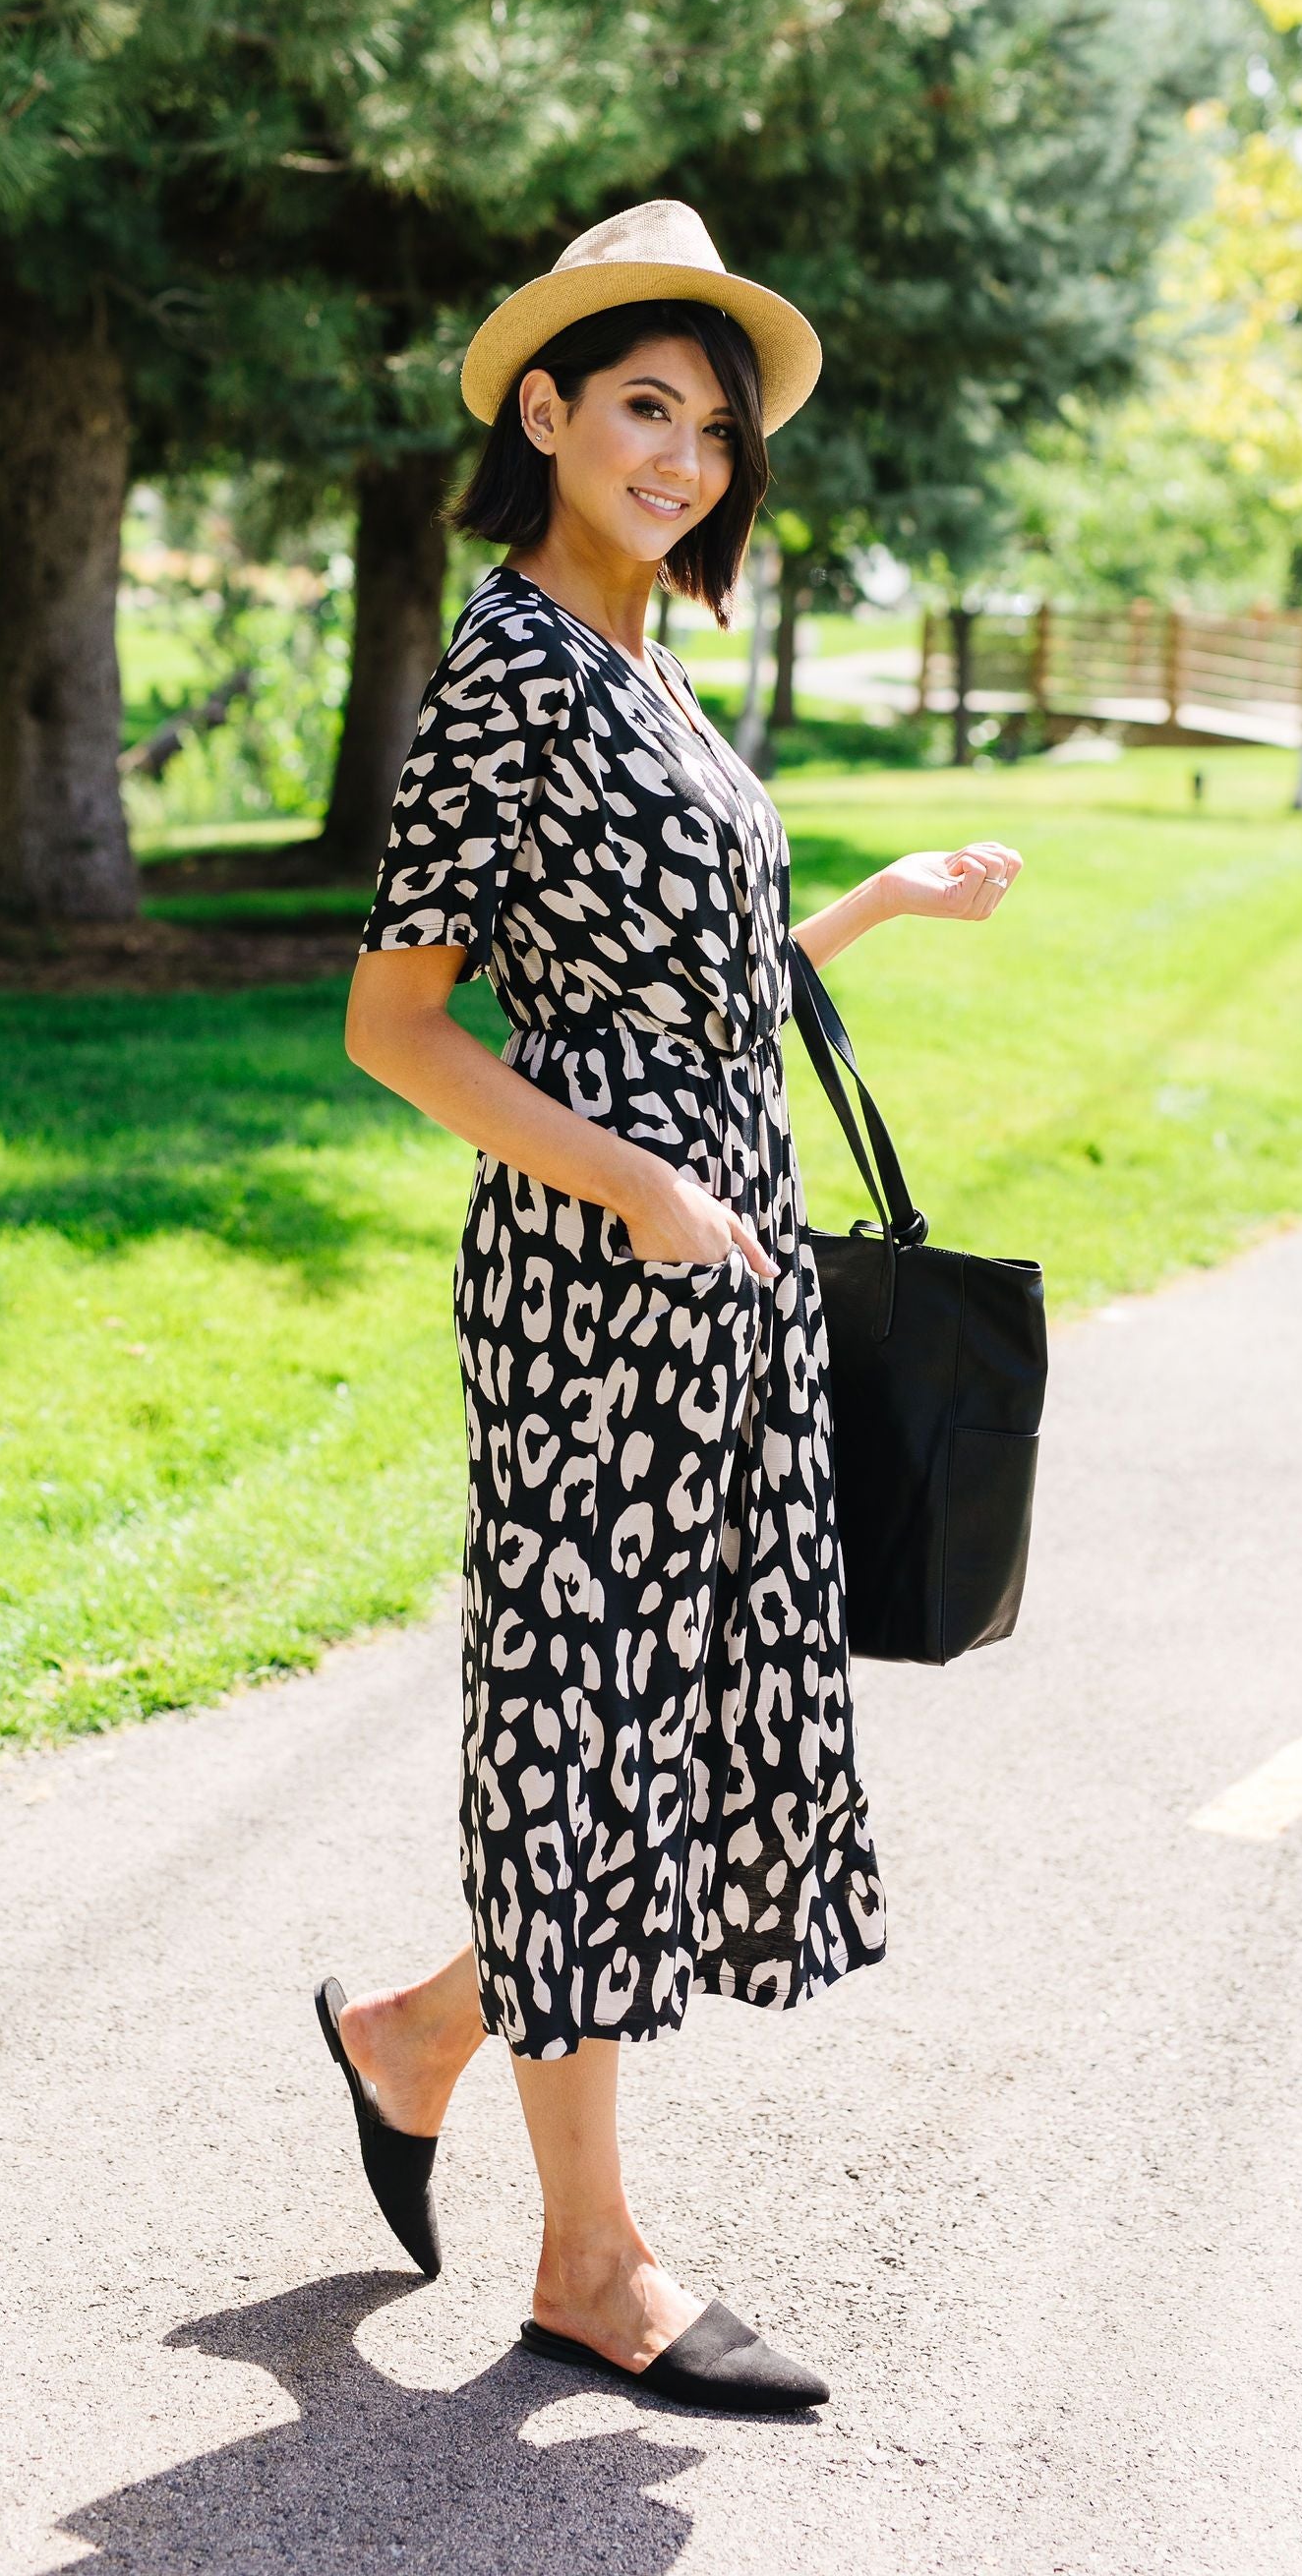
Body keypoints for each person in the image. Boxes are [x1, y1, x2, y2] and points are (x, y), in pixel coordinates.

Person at [323, 201, 1021, 2414]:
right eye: (643, 407)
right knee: (583, 1726)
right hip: (591, 1285)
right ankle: (592, 2263)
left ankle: (418, 2032)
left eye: (710, 425)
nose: (684, 455)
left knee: (656, 1729)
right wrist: (631, 1188)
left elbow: (694, 998)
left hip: (729, 1264)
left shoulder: (648, 665)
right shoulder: (508, 668)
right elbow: (397, 1028)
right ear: (542, 409)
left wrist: (871, 907)